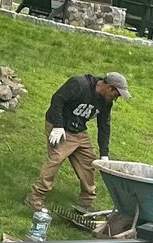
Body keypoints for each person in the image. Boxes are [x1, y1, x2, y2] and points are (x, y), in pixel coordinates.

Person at [25, 70, 129, 221]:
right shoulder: (79, 84)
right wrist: (58, 126)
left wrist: (104, 154)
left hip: (79, 130)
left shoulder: (106, 101)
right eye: (117, 94)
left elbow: (104, 126)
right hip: (59, 126)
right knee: (56, 159)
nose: (117, 98)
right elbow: (57, 100)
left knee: (89, 162)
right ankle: (35, 197)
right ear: (110, 87)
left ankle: (85, 203)